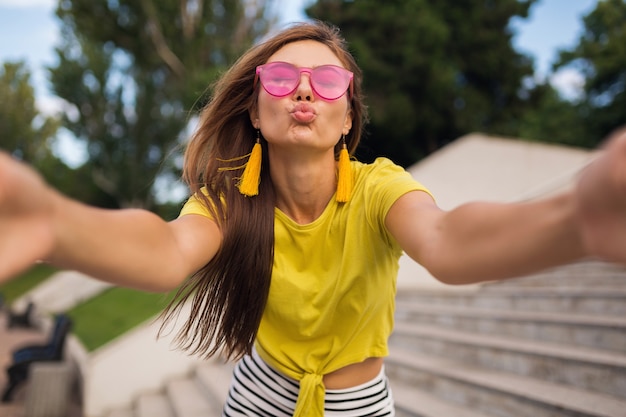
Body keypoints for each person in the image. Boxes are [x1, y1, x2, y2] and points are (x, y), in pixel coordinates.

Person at [0, 20, 625, 417]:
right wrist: (54, 223)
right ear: (254, 107)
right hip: (259, 393)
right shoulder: (229, 199)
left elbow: (448, 240)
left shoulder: (380, 188)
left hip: (360, 403)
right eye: (281, 77)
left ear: (348, 116)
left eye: (328, 81)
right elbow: (164, 250)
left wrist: (575, 220)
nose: (304, 91)